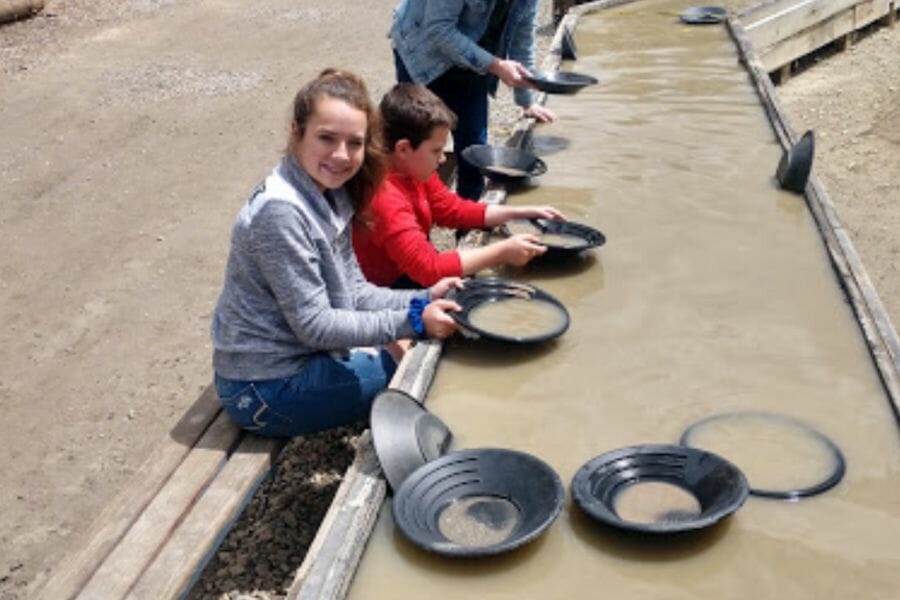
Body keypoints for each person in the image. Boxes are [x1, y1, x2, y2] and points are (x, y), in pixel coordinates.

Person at [210, 69, 461, 438]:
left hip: (295, 358)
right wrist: (417, 319)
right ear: (296, 132)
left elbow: (355, 291)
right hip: (262, 388)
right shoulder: (282, 212)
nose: (342, 156)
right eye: (327, 138)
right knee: (427, 370)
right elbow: (316, 326)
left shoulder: (330, 192)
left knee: (418, 350)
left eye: (355, 143)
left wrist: (425, 297)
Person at [353, 83, 564, 289]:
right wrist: (501, 252)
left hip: (407, 270)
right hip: (385, 290)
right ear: (403, 149)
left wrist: (520, 212)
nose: (443, 158)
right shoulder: (384, 197)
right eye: (436, 151)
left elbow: (453, 210)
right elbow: (428, 270)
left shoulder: (412, 171)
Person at [389, 0, 557, 201]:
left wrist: (527, 101)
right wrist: (496, 65)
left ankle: (468, 224)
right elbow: (438, 28)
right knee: (419, 144)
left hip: (475, 62)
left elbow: (522, 36)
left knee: (474, 149)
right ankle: (413, 217)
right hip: (422, 51)